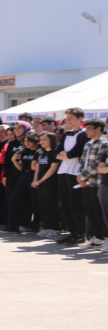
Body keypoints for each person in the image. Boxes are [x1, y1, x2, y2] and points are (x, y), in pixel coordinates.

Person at [55, 107, 90, 246]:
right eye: (67, 118)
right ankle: (71, 232)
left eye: (71, 118)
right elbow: (57, 152)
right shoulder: (66, 134)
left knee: (76, 204)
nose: (68, 120)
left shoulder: (83, 134)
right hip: (63, 171)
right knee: (65, 204)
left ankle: (80, 233)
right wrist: (66, 155)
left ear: (80, 119)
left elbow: (76, 152)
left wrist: (67, 155)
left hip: (75, 172)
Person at [76, 119, 108, 249]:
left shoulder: (103, 144)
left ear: (98, 129)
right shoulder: (88, 144)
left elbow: (97, 165)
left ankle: (104, 238)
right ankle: (95, 237)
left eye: (89, 128)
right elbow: (82, 161)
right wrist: (80, 176)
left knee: (101, 212)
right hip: (85, 183)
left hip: (97, 182)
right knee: (91, 212)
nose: (86, 131)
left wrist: (83, 176)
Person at [4, 131, 39, 233]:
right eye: (25, 141)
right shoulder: (24, 151)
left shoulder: (39, 151)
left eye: (29, 141)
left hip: (34, 177)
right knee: (13, 200)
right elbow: (20, 168)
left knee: (34, 203)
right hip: (23, 176)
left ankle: (34, 226)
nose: (27, 143)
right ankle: (13, 226)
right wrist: (14, 160)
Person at [31, 132, 61, 240]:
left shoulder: (54, 153)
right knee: (42, 205)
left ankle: (55, 229)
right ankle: (46, 227)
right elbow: (37, 168)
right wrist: (35, 180)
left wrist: (42, 180)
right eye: (41, 139)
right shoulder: (41, 153)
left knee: (51, 205)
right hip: (40, 183)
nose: (42, 142)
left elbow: (53, 168)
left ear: (51, 140)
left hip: (50, 183)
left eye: (45, 139)